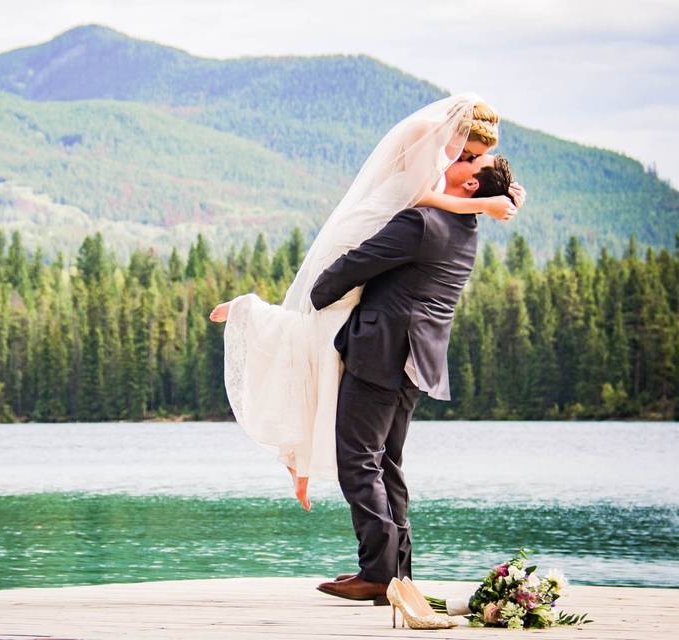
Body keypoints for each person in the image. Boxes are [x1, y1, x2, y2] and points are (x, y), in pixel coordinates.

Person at [209, 94, 526, 511]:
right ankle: (251, 316)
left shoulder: (448, 160)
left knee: (331, 348)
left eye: (473, 157)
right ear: (463, 134)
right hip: (361, 236)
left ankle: (297, 455)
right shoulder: (422, 135)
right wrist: (483, 203)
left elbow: (454, 195)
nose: (464, 159)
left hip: (384, 246)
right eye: (472, 153)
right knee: (318, 330)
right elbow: (418, 198)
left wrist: (501, 193)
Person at [311, 152, 514, 602]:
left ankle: (379, 576)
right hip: (417, 359)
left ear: (471, 187)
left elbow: (360, 262)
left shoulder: (423, 222)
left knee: (359, 459)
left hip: (382, 351)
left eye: (467, 161)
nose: (454, 160)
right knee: (387, 463)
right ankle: (396, 574)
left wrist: (315, 294)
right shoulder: (467, 228)